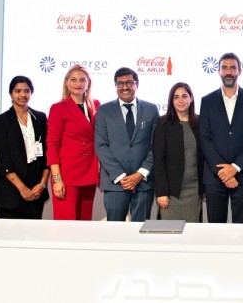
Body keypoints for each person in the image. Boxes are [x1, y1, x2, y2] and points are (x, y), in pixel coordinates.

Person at [199, 52, 243, 223]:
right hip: (215, 176)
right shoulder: (207, 101)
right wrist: (223, 172)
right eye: (224, 68)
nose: (229, 72)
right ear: (218, 71)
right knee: (215, 228)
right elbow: (204, 138)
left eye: (233, 68)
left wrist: (235, 168)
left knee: (242, 228)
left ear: (239, 71)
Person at [95, 67, 158, 222]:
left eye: (129, 82)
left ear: (137, 84)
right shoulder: (104, 110)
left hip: (143, 182)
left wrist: (140, 173)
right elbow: (101, 146)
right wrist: (121, 176)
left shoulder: (151, 109)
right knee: (114, 230)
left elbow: (156, 145)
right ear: (115, 86)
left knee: (140, 229)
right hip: (115, 182)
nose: (125, 87)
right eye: (120, 83)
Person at [46, 64, 100, 220]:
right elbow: (52, 144)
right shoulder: (58, 108)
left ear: (88, 83)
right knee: (66, 222)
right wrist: (57, 179)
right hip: (67, 173)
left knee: (85, 220)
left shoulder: (96, 105)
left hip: (89, 170)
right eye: (74, 80)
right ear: (66, 82)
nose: (78, 84)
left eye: (82, 80)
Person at [0, 76, 49, 219]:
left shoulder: (40, 118)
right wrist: (23, 189)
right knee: (8, 233)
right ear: (11, 93)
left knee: (33, 232)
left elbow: (47, 154)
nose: (22, 95)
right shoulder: (1, 121)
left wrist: (42, 184)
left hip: (36, 189)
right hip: (10, 191)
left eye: (26, 91)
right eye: (18, 91)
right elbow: (3, 159)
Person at [153, 82, 204, 222]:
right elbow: (158, 161)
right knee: (169, 232)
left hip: (195, 191)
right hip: (171, 193)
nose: (180, 100)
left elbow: (204, 158)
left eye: (184, 96)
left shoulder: (200, 122)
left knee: (193, 232)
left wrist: (204, 189)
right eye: (176, 97)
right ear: (171, 101)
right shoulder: (163, 123)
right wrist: (161, 192)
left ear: (191, 98)